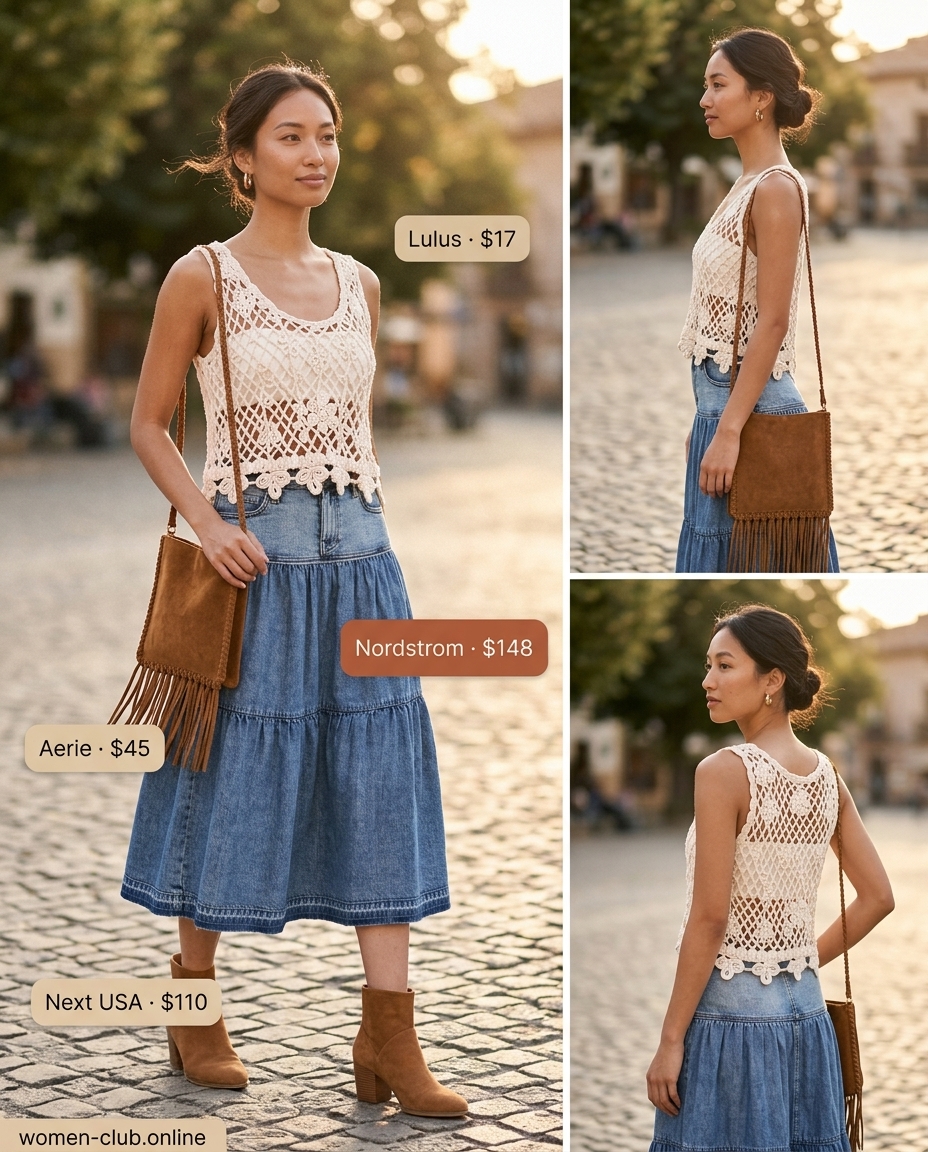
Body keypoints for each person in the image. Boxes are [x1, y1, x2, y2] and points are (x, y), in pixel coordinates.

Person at [119, 62, 467, 1118]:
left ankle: (389, 1037)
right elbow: (148, 423)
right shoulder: (202, 278)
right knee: (224, 773)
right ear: (241, 155)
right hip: (252, 568)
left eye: (326, 135)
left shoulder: (361, 282)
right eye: (289, 137)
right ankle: (194, 1003)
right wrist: (211, 522)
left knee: (377, 780)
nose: (314, 154)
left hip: (365, 566)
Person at [647, 605, 894, 1151]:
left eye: (725, 666)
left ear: (772, 680)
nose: (707, 681)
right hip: (807, 1017)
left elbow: (710, 921)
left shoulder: (721, 773)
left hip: (730, 1024)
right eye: (708, 665)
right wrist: (795, 961)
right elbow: (878, 897)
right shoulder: (827, 776)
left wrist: (669, 1040)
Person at [676, 29, 840, 572]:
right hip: (723, 408)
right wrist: (706, 421)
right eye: (706, 86)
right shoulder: (745, 182)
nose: (705, 99)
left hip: (754, 415)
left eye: (719, 85)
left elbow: (770, 323)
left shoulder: (774, 189)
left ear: (761, 97)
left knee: (758, 560)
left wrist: (726, 432)